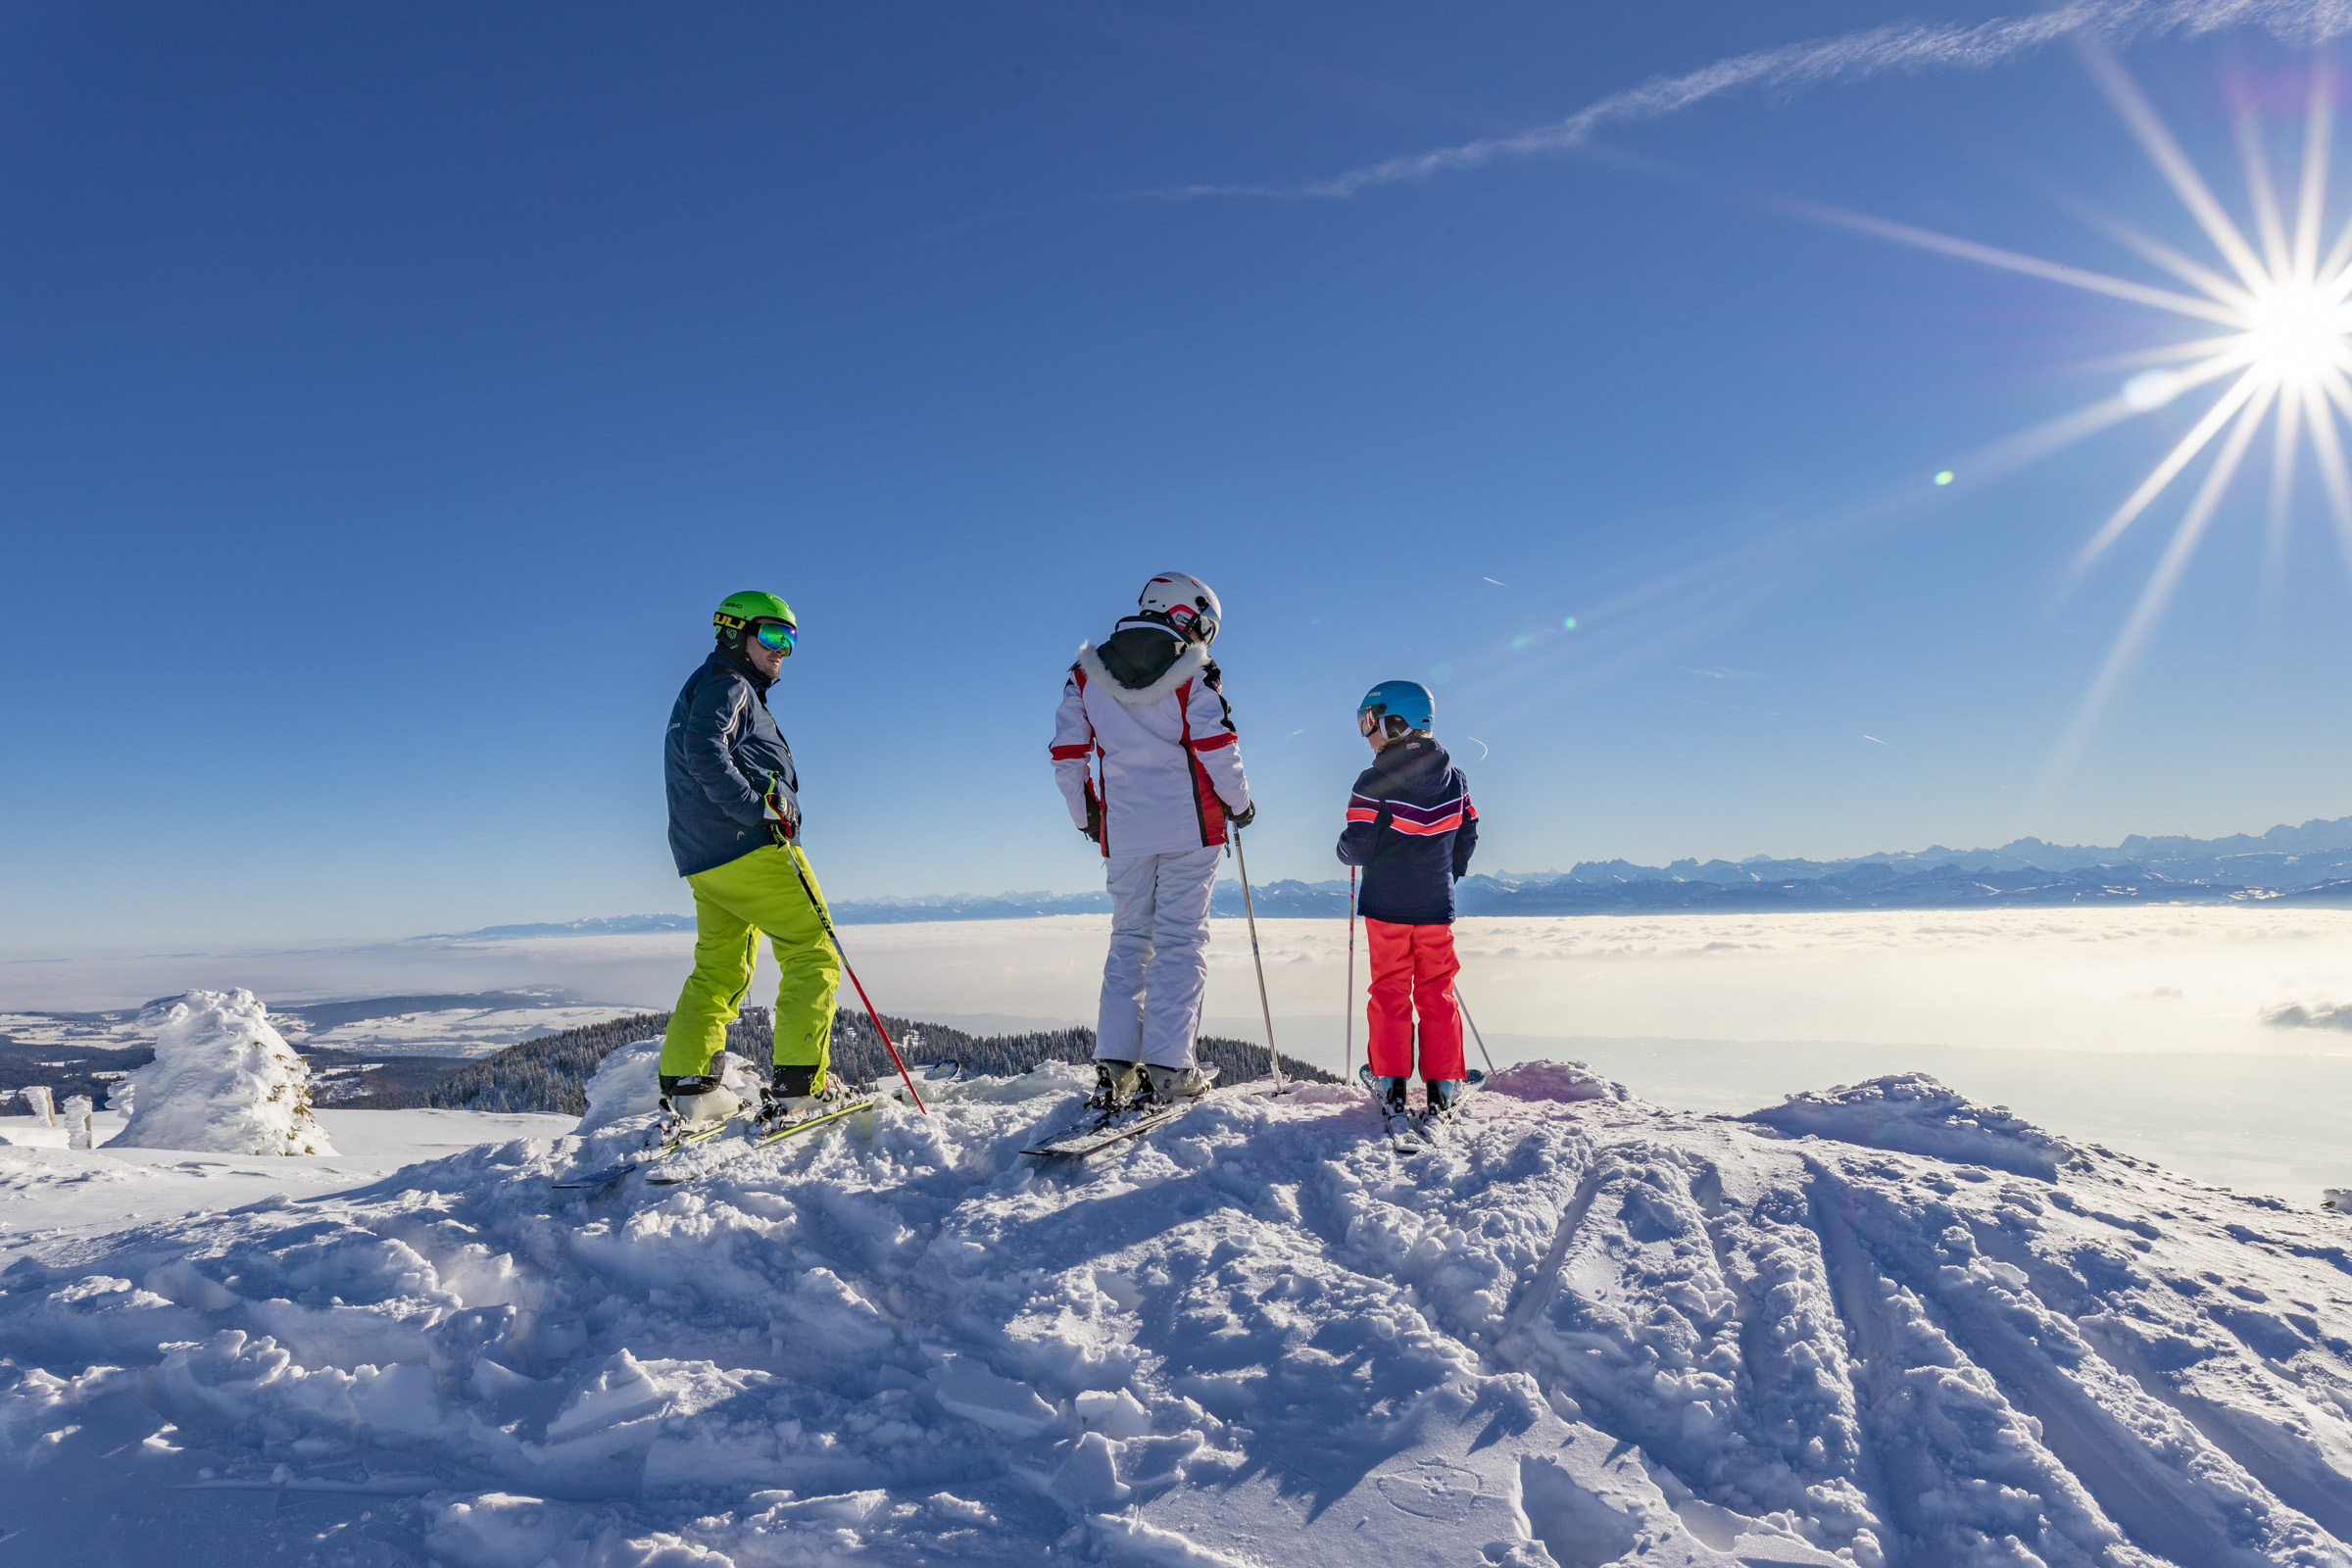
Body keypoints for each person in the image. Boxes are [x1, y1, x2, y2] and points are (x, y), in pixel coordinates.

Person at [1051, 572, 1253, 1112]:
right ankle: (1168, 1069)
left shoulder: (1086, 674)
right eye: (1204, 625)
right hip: (1191, 827)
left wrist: (1087, 817)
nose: (1205, 637)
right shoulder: (1194, 670)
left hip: (1125, 831)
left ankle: (1115, 1067)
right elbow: (1217, 745)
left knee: (1128, 942)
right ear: (1186, 614)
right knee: (1181, 943)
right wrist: (1241, 804)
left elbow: (1067, 756)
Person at [657, 590, 844, 1124]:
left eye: (790, 640)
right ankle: (801, 1085)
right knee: (813, 950)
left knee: (719, 967)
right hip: (750, 848)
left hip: (704, 857)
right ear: (735, 632)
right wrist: (755, 809)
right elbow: (703, 749)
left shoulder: (712, 684)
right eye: (772, 635)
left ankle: (691, 1087)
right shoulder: (729, 684)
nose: (782, 649)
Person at [1337, 679, 1479, 1125]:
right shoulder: (1454, 780)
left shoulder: (1373, 781)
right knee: (1437, 990)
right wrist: (1446, 873)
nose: (1367, 734)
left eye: (1369, 723)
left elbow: (1357, 844)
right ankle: (1444, 1084)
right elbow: (1467, 834)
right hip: (1436, 906)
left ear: (1396, 723)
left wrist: (1343, 851)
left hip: (1386, 908)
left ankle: (1390, 1080)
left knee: (1390, 990)